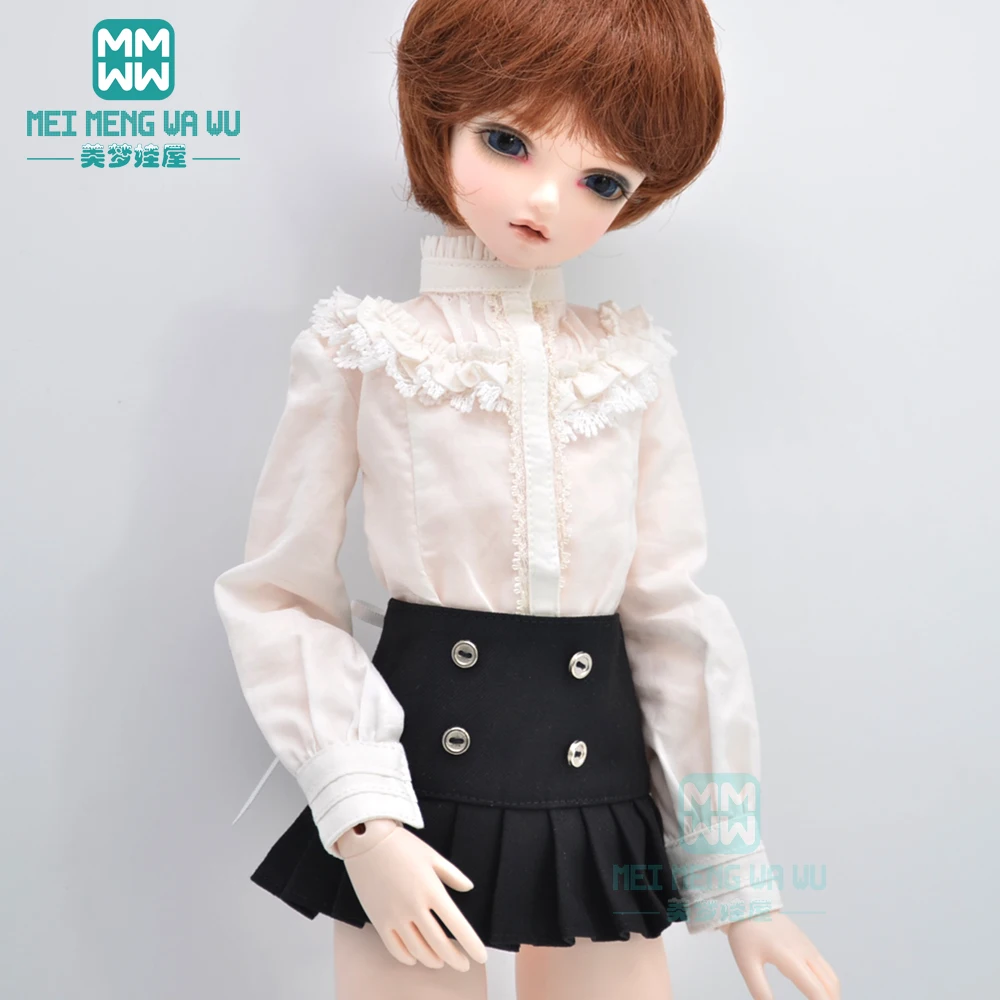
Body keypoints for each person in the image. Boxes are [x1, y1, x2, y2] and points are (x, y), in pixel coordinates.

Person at [213, 1, 841, 997]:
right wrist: (363, 814)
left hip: (599, 790)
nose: (546, 200)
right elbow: (279, 595)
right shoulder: (362, 349)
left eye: (602, 180)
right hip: (416, 784)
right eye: (507, 141)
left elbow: (670, 617)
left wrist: (739, 877)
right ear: (440, 116)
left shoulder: (628, 365)